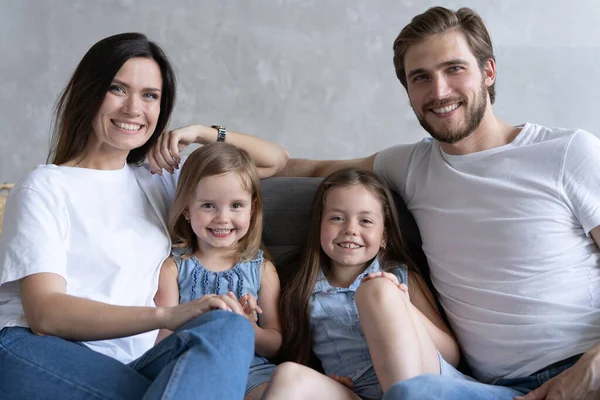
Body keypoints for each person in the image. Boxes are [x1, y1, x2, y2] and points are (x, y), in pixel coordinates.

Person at [277, 6, 600, 400]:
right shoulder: (410, 165)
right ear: (409, 92)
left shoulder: (569, 153)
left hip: (583, 365)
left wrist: (591, 368)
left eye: (454, 69)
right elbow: (307, 167)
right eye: (421, 78)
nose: (439, 91)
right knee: (412, 392)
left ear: (489, 72)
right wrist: (215, 141)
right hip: (484, 390)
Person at [0, 32, 289, 399]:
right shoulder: (45, 186)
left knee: (229, 328)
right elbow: (46, 315)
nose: (134, 109)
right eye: (117, 89)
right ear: (88, 92)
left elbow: (274, 159)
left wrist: (200, 132)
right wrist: (169, 317)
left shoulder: (160, 180)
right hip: (39, 350)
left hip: (132, 361)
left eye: (149, 95)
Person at [262, 168, 461, 400]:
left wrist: (403, 304)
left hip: (423, 385)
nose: (350, 230)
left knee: (377, 289)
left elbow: (451, 355)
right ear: (319, 226)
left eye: (365, 221)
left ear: (384, 235)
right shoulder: (300, 285)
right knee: (288, 375)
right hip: (357, 392)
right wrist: (328, 380)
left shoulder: (399, 276)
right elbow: (295, 353)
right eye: (337, 218)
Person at [154, 142, 282, 400]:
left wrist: (249, 329)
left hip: (252, 372)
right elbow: (163, 340)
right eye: (208, 205)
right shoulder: (173, 268)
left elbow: (275, 343)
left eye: (236, 205)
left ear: (252, 208)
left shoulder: (262, 269)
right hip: (194, 368)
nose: (223, 217)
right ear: (187, 209)